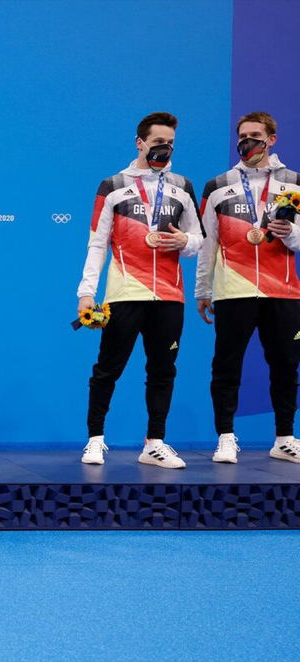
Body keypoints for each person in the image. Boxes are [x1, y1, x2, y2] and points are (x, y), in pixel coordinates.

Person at [77, 112, 203, 468]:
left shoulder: (182, 185)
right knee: (108, 368)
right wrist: (86, 292)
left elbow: (198, 240)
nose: (165, 149)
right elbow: (97, 243)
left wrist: (184, 240)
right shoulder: (113, 185)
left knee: (163, 370)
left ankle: (155, 443)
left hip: (169, 295)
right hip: (124, 292)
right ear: (141, 143)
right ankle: (95, 440)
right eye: (159, 142)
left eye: (171, 144)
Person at [196, 111, 300, 465]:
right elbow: (208, 243)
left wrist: (293, 235)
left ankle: (285, 437)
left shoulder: (295, 183)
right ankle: (225, 437)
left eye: (255, 135)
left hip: (282, 291)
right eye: (242, 135)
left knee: (285, 364)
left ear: (272, 139)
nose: (247, 142)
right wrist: (202, 290)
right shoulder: (218, 185)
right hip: (233, 290)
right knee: (227, 365)